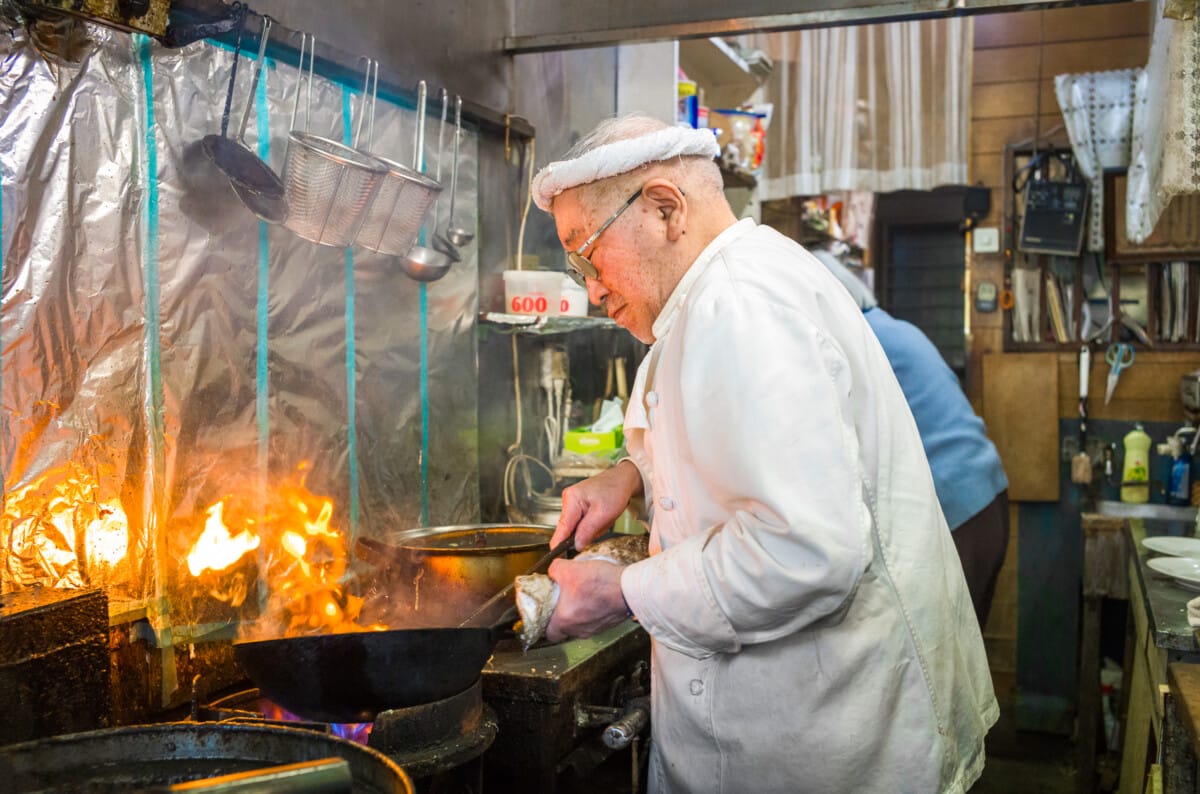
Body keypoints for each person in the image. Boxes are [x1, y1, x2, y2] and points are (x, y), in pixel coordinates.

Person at [533, 113, 996, 793]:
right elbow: (732, 440)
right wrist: (629, 474)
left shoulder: (740, 305)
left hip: (826, 742)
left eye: (587, 253)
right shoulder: (723, 286)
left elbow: (805, 549)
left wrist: (625, 591)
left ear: (665, 209)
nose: (590, 287)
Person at [813, 249, 1010, 628]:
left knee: (942, 660)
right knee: (969, 658)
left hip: (955, 509)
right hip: (990, 497)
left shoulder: (856, 343)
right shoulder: (895, 328)